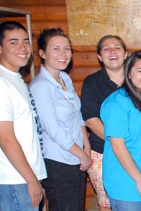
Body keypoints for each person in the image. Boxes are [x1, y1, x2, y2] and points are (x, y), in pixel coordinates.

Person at [0, 21, 47, 211]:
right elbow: (6, 138)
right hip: (13, 179)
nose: (22, 48)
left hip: (21, 176)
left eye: (25, 42)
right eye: (13, 42)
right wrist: (31, 179)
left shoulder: (12, 76)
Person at [29, 28, 91, 211]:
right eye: (56, 48)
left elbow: (77, 114)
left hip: (76, 157)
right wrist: (81, 154)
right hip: (58, 162)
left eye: (67, 48)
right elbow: (53, 129)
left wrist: (85, 144)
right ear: (42, 53)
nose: (63, 54)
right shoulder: (40, 86)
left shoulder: (64, 78)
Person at [101, 51, 141, 210]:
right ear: (129, 73)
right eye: (140, 70)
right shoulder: (117, 102)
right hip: (126, 185)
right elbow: (118, 146)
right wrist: (139, 180)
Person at [81, 35, 128, 211]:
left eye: (117, 47)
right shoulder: (92, 82)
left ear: (125, 54)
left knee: (132, 199)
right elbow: (91, 120)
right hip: (103, 152)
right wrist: (120, 143)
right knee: (107, 204)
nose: (112, 51)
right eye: (106, 48)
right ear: (100, 56)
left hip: (134, 152)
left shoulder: (137, 80)